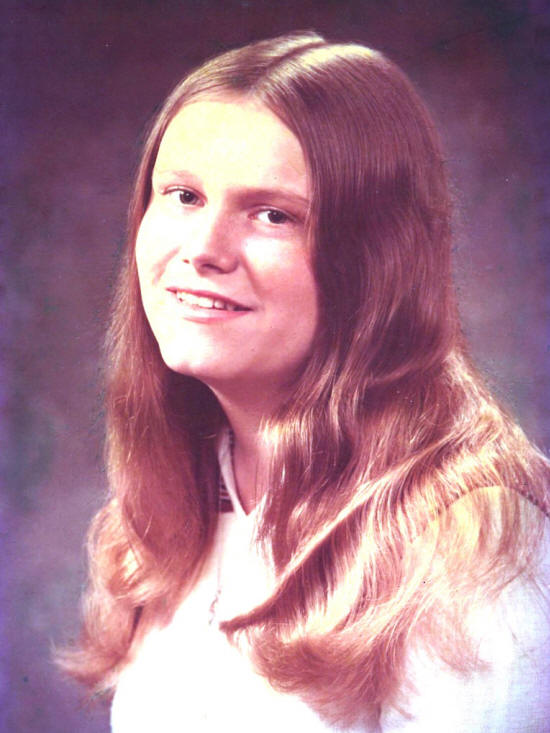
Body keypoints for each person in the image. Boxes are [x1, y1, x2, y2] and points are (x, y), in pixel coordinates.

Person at [62, 32, 550, 731]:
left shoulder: (476, 538)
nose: (203, 250)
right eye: (184, 196)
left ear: (376, 260)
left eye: (273, 215)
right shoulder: (163, 511)